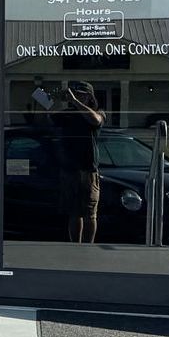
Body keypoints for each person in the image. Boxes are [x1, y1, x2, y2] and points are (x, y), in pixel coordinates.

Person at [52, 81, 105, 243]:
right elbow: (47, 119)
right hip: (70, 169)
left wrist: (76, 101)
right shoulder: (67, 114)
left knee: (90, 213)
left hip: (89, 170)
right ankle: (75, 246)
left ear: (90, 96)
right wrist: (48, 100)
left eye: (82, 94)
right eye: (76, 93)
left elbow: (95, 121)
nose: (78, 96)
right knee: (74, 213)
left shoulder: (99, 112)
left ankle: (89, 246)